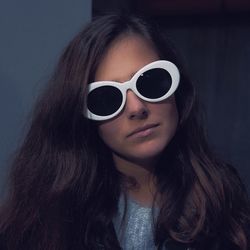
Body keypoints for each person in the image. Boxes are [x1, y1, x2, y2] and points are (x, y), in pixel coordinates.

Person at [0, 14, 249, 250]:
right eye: (107, 98)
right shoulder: (48, 215)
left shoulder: (221, 194)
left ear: (177, 89)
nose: (137, 108)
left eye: (151, 82)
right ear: (80, 115)